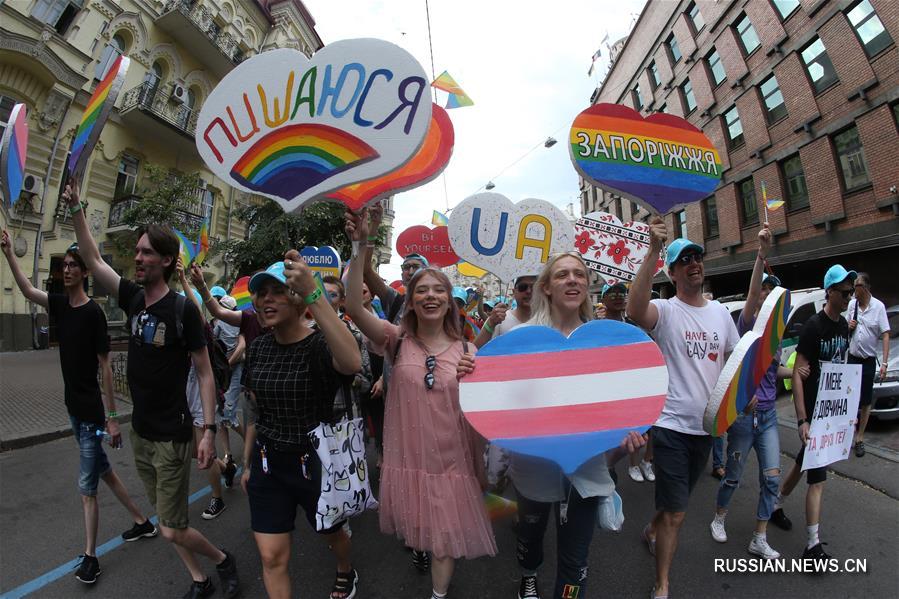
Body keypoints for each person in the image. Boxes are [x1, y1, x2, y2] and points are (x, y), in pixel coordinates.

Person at [63, 179, 240, 599]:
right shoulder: (132, 298)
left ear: (165, 259)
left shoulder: (182, 310)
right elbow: (91, 255)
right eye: (137, 251)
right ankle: (200, 582)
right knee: (167, 520)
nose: (137, 258)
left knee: (171, 526)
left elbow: (204, 372)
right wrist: (75, 209)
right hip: (142, 433)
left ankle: (222, 560)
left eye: (145, 252)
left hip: (173, 435)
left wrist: (209, 431)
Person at [464, 252, 645, 599]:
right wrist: (472, 372)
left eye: (579, 274)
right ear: (546, 287)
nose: (573, 280)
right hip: (533, 467)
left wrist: (629, 432)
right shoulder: (523, 338)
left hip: (587, 469)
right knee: (530, 538)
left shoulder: (605, 337)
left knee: (576, 560)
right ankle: (528, 575)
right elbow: (502, 397)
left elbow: (620, 397)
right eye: (563, 274)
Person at [345, 208, 496, 599]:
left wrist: (476, 366)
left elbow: (487, 399)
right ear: (410, 302)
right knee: (424, 534)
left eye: (439, 290)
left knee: (444, 539)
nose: (430, 296)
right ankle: (422, 557)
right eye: (422, 291)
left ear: (450, 301)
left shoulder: (467, 349)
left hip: (452, 459)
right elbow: (355, 307)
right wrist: (361, 244)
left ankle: (438, 595)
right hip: (412, 459)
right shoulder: (396, 340)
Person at [1, 232, 156, 584]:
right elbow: (27, 290)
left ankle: (91, 557)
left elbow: (105, 366)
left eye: (74, 265)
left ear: (85, 273)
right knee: (104, 471)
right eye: (65, 265)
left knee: (87, 487)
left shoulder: (92, 314)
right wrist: (11, 252)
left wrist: (113, 419)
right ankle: (142, 522)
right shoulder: (58, 304)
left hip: (90, 414)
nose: (67, 269)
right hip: (73, 409)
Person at [627, 224, 740, 599]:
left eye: (697, 257)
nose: (694, 263)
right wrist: (652, 252)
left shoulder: (722, 314)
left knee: (673, 505)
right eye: (684, 260)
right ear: (671, 272)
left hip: (707, 429)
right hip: (670, 427)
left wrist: (744, 395)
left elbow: (732, 362)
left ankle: (651, 530)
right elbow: (634, 309)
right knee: (677, 513)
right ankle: (662, 585)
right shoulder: (665, 310)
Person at [239, 256, 361, 599]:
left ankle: (345, 569)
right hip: (268, 464)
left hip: (317, 465)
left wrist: (314, 294)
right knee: (270, 555)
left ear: (297, 297)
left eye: (277, 291)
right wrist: (248, 464)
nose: (266, 300)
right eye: (261, 293)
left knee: (333, 535)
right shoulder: (259, 347)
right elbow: (255, 411)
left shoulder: (319, 345)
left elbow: (351, 363)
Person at [708, 225, 799, 559]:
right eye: (764, 292)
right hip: (744, 418)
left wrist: (799, 370)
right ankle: (719, 518)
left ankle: (759, 537)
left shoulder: (776, 336)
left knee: (772, 479)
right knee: (732, 476)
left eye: (772, 294)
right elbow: (749, 296)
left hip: (770, 418)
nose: (766, 297)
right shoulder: (748, 324)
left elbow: (773, 372)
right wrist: (762, 254)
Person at [773, 264, 854, 564]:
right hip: (814, 415)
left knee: (802, 465)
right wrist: (802, 420)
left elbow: (842, 370)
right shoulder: (813, 327)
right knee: (817, 480)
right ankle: (812, 545)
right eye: (844, 292)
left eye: (850, 292)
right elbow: (797, 374)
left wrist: (848, 413)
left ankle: (775, 503)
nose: (848, 297)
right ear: (829, 292)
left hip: (832, 413)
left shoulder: (843, 326)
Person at [600, 282, 656, 484]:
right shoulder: (594, 326)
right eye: (612, 292)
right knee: (607, 437)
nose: (618, 296)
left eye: (622, 292)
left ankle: (637, 463)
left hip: (633, 386)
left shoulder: (634, 324)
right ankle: (606, 469)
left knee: (639, 431)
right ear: (603, 298)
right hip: (604, 392)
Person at [846, 272, 890, 457]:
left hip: (868, 361)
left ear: (865, 288)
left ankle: (860, 439)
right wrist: (849, 327)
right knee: (849, 398)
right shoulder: (851, 304)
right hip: (853, 358)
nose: (853, 291)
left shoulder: (878, 307)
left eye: (856, 287)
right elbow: (845, 328)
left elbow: (885, 333)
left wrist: (885, 363)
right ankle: (847, 435)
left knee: (865, 401)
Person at [473, 275, 536, 349]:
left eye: (534, 287)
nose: (528, 291)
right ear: (514, 292)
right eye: (522, 287)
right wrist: (491, 323)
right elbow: (475, 351)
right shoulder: (498, 319)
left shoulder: (547, 320)